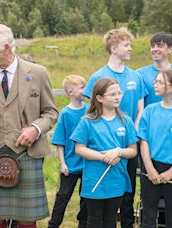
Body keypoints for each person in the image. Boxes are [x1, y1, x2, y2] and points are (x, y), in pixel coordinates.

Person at [0, 24, 58, 228]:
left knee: (27, 219)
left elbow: (51, 112)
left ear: (7, 48)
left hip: (26, 155)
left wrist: (35, 129)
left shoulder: (37, 73)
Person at [83, 27, 147, 227]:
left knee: (127, 192)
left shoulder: (136, 76)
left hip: (127, 145)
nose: (130, 48)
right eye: (126, 45)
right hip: (101, 148)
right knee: (98, 196)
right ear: (113, 48)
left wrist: (131, 137)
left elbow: (140, 109)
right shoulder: (97, 76)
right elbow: (90, 112)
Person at [71, 78, 138, 228]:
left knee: (110, 220)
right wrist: (103, 157)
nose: (118, 96)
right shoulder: (87, 122)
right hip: (94, 181)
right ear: (99, 98)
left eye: (119, 93)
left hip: (116, 180)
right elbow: (79, 148)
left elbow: (133, 150)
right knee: (94, 221)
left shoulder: (126, 121)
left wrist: (118, 152)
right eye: (112, 94)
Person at [48, 75, 88, 228]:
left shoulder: (89, 110)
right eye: (82, 87)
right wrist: (63, 163)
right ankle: (54, 224)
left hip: (87, 164)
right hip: (70, 165)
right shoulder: (65, 113)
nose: (85, 90)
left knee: (85, 199)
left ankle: (83, 223)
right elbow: (60, 141)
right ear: (70, 92)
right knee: (63, 196)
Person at [138, 69, 172, 228]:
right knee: (148, 216)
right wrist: (150, 168)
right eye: (155, 81)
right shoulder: (150, 110)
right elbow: (144, 140)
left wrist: (170, 172)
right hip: (150, 167)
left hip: (170, 169)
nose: (155, 85)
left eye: (160, 82)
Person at [137, 32, 172, 107]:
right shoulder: (139, 74)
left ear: (170, 49)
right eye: (153, 46)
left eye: (160, 46)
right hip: (150, 117)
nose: (155, 49)